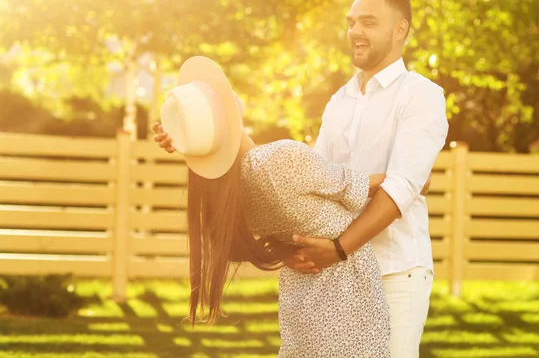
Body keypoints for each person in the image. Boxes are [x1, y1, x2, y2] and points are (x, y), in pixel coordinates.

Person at [154, 55, 393, 357]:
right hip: (346, 306)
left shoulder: (232, 191)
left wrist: (189, 142)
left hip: (302, 311)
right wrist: (410, 177)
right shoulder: (280, 159)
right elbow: (356, 186)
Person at [287, 0, 449, 357]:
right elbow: (316, 184)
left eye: (369, 22)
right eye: (352, 22)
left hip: (394, 272)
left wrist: (339, 248)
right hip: (336, 274)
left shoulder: (421, 95)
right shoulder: (338, 102)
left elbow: (402, 188)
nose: (356, 31)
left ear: (400, 30)